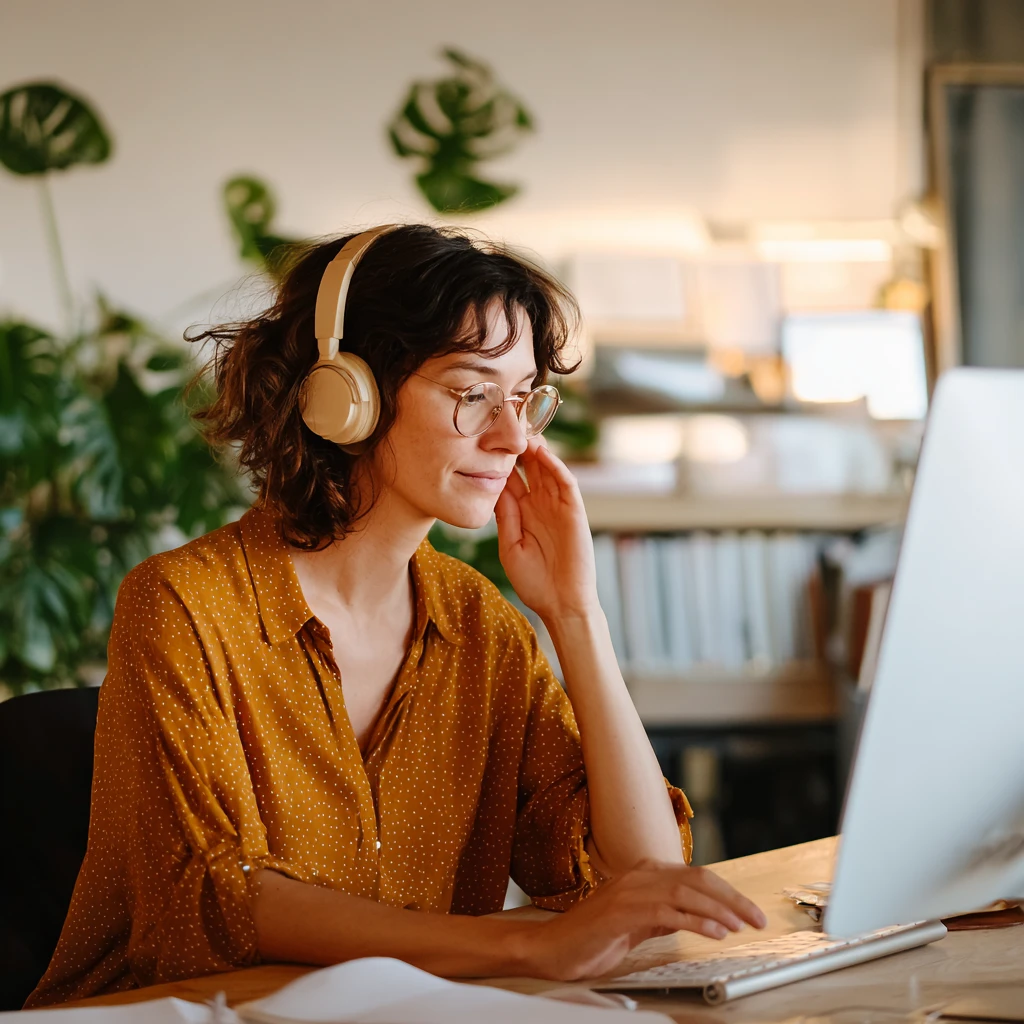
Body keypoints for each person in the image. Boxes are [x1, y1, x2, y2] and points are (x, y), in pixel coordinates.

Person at [26, 224, 765, 1007]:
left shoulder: (483, 625)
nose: (512, 436)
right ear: (348, 393)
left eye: (523, 399)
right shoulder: (184, 604)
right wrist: (524, 942)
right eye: (471, 393)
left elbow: (638, 881)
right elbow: (218, 898)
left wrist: (577, 614)